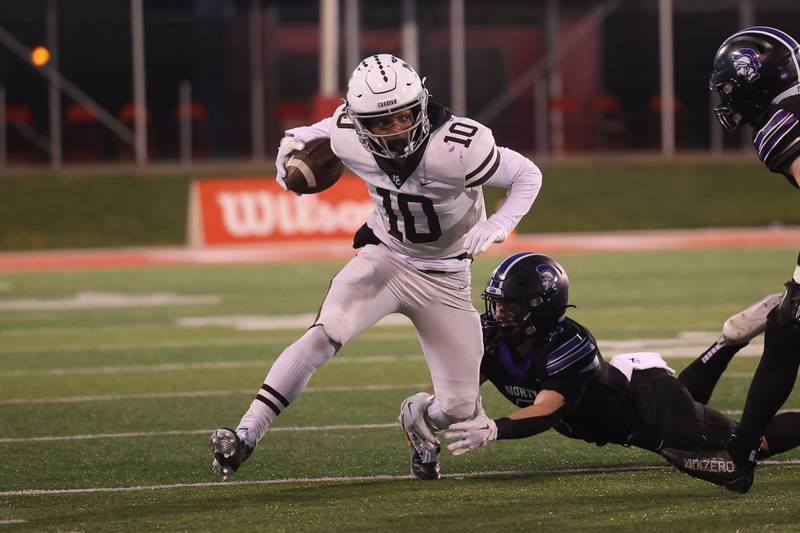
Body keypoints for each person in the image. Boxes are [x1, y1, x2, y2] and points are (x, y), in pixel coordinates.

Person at [209, 54, 542, 480]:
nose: (394, 129)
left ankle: (418, 420)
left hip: (446, 277)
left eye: (402, 117)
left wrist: (499, 224)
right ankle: (245, 436)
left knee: (459, 406)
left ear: (420, 105)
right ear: (358, 121)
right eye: (380, 123)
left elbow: (527, 175)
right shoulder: (347, 131)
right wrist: (287, 152)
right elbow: (306, 135)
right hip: (385, 258)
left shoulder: (460, 145)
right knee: (324, 335)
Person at [420, 252, 800, 494]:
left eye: (513, 307)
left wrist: (496, 427)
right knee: (688, 405)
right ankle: (728, 342)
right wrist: (430, 407)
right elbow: (457, 382)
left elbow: (548, 408)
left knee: (744, 444)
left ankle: (728, 343)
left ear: (542, 307)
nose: (500, 315)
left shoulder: (567, 342)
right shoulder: (490, 336)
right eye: (498, 305)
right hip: (636, 390)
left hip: (648, 413)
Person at [658, 26, 800, 492]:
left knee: (787, 328)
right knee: (783, 332)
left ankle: (738, 458)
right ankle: (739, 456)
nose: (726, 98)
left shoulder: (782, 122)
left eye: (729, 88)